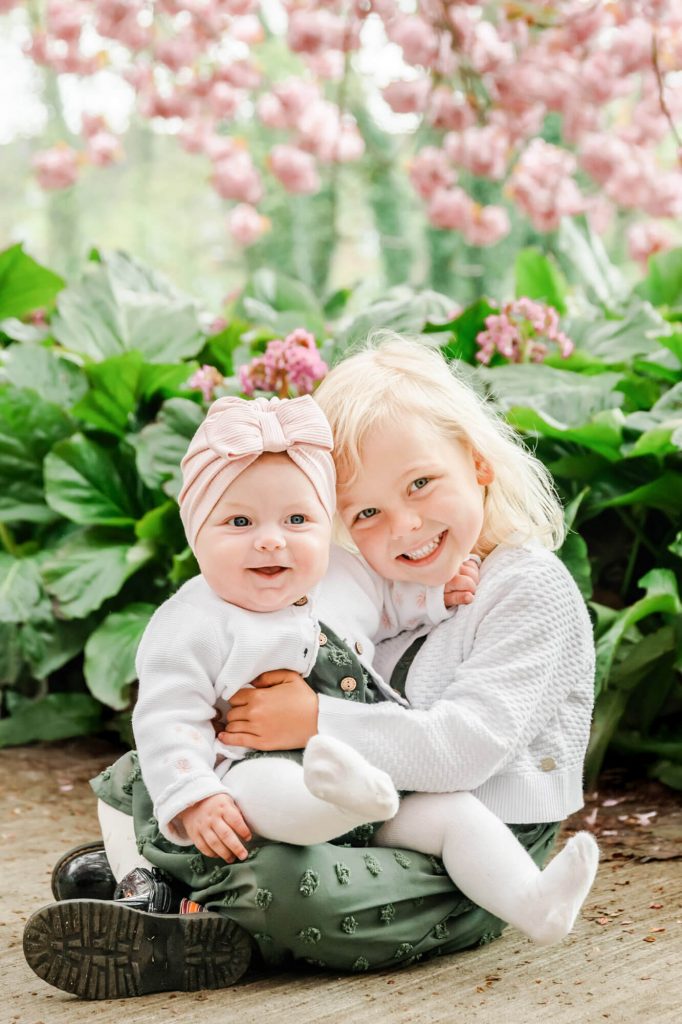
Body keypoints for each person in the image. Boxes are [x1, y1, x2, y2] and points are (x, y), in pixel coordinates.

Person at [26, 335, 597, 999]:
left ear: (476, 464)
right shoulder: (364, 581)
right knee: (153, 770)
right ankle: (168, 898)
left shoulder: (531, 590)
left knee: (306, 894)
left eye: (421, 483)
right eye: (367, 513)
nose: (405, 526)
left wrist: (310, 717)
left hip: (472, 838)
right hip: (356, 812)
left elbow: (465, 753)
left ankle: (180, 895)